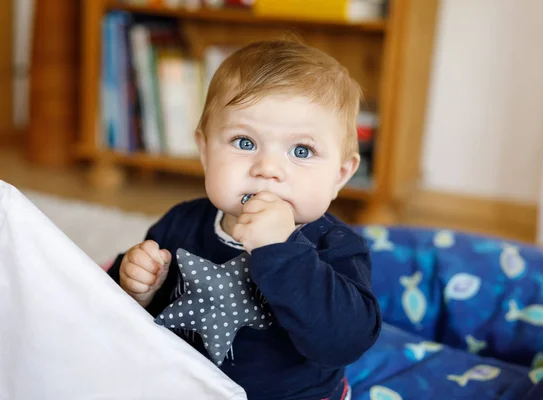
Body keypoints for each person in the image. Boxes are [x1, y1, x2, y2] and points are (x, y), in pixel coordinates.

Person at [107, 39, 382, 400]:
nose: (267, 168)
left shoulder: (337, 246)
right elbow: (122, 310)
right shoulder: (182, 222)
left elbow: (344, 342)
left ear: (340, 175)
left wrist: (281, 249)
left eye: (302, 151)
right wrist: (138, 287)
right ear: (205, 152)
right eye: (244, 142)